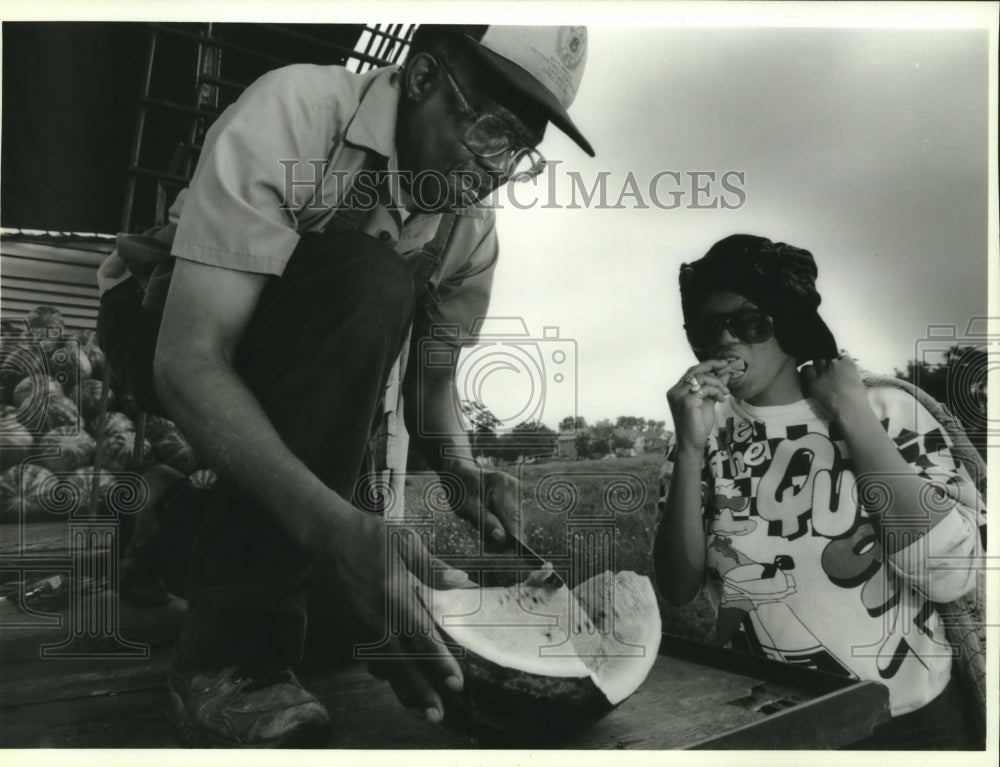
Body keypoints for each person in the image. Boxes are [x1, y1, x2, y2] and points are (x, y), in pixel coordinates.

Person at [95, 25, 594, 747]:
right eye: (489, 129)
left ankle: (171, 522)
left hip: (300, 351)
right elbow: (190, 359)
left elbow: (430, 391)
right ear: (421, 77)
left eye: (519, 151)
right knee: (367, 280)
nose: (496, 168)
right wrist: (333, 529)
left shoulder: (469, 231)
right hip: (163, 319)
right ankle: (230, 660)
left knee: (339, 631)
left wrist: (461, 469)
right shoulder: (296, 112)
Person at [652, 234, 986, 749]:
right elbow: (678, 590)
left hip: (915, 717)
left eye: (748, 323)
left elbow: (951, 576)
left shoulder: (885, 411)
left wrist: (852, 415)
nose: (725, 342)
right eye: (706, 328)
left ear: (787, 322)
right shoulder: (702, 434)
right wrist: (691, 449)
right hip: (778, 719)